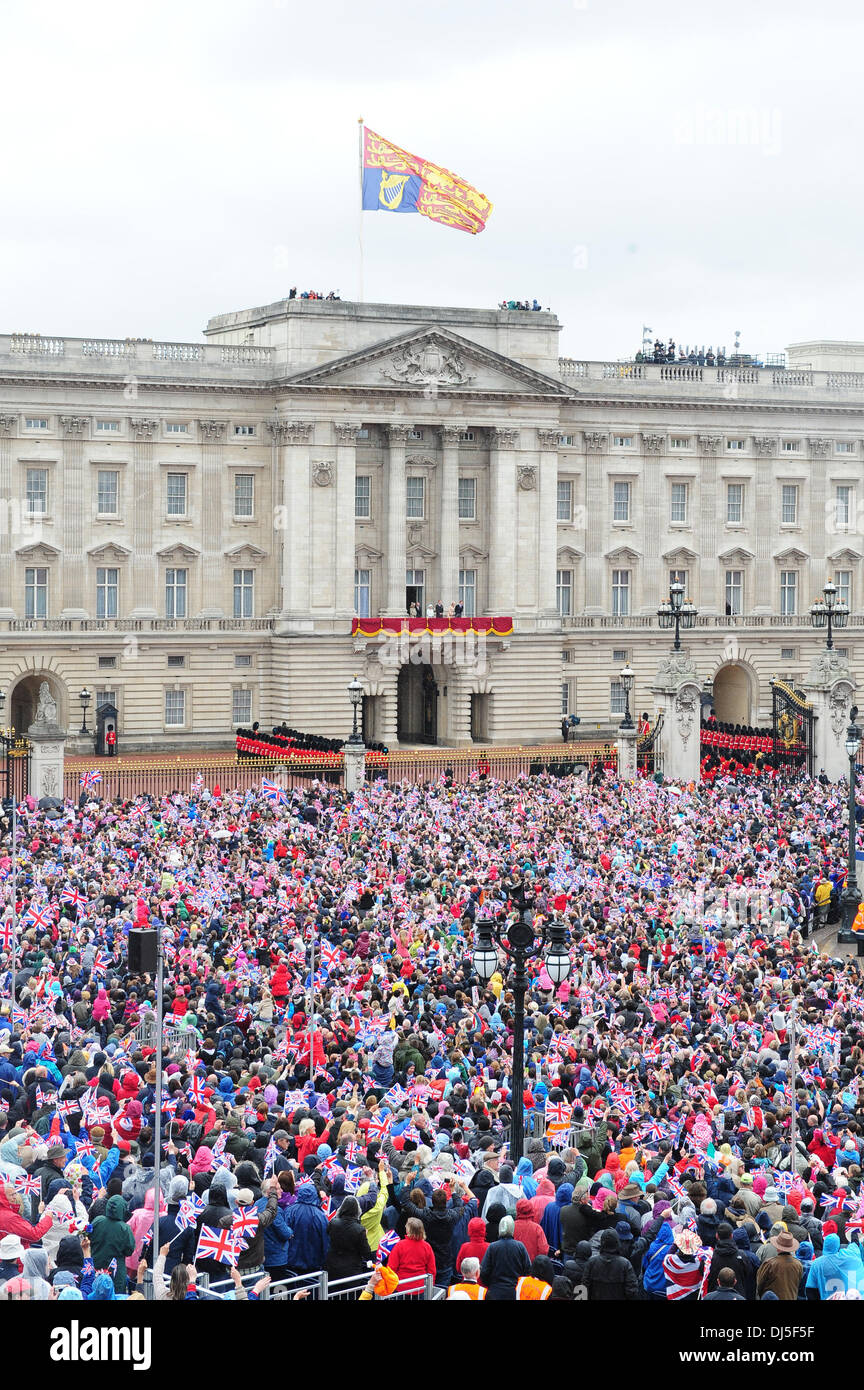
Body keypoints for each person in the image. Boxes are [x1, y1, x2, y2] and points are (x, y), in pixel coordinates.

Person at [478, 1215, 531, 1300]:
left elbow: (484, 1271)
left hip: (495, 1292)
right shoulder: (520, 1247)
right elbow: (528, 1270)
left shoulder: (492, 1247)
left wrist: (491, 1285)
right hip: (515, 1291)